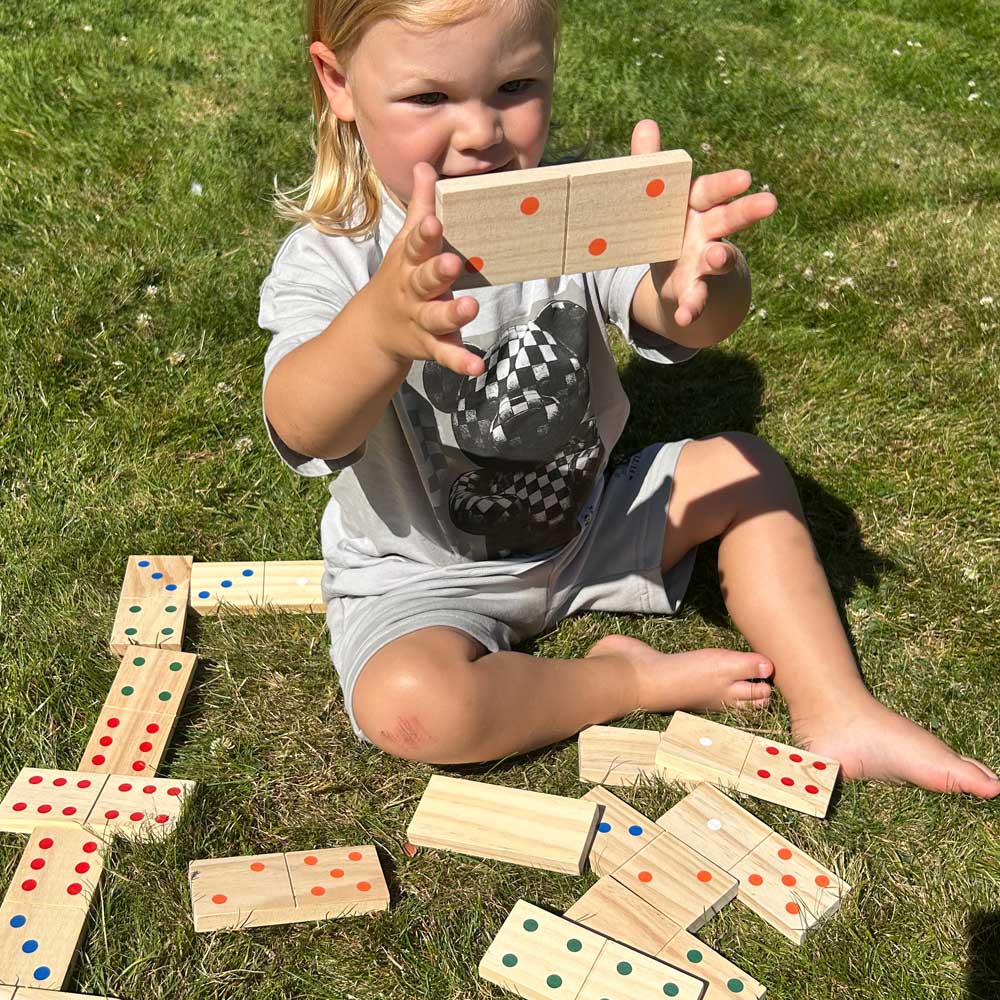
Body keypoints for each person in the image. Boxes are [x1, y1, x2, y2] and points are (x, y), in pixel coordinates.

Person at [258, 0, 999, 797]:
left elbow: (684, 315)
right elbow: (301, 424)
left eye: (514, 86)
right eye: (430, 97)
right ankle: (627, 679)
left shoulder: (573, 208)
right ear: (339, 82)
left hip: (589, 525)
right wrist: (375, 332)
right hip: (423, 576)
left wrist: (696, 278)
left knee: (745, 468)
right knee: (413, 706)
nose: (479, 131)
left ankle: (838, 708)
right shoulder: (333, 258)